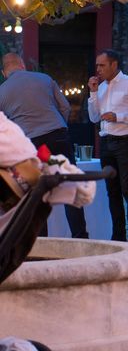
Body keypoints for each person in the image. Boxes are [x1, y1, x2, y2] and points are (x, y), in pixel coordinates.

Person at [0, 53, 88, 238]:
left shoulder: (3, 90)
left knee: (36, 193)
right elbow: (64, 106)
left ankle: (41, 242)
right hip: (57, 135)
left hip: (31, 143)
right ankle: (81, 237)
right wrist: (59, 128)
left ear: (3, 72)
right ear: (22, 65)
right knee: (70, 185)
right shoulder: (44, 78)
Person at [88, 49, 128, 243]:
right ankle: (118, 236)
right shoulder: (100, 87)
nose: (98, 69)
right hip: (106, 142)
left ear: (114, 65)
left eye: (102, 65)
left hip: (125, 142)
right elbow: (93, 117)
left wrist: (120, 117)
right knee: (112, 191)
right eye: (97, 65)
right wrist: (92, 93)